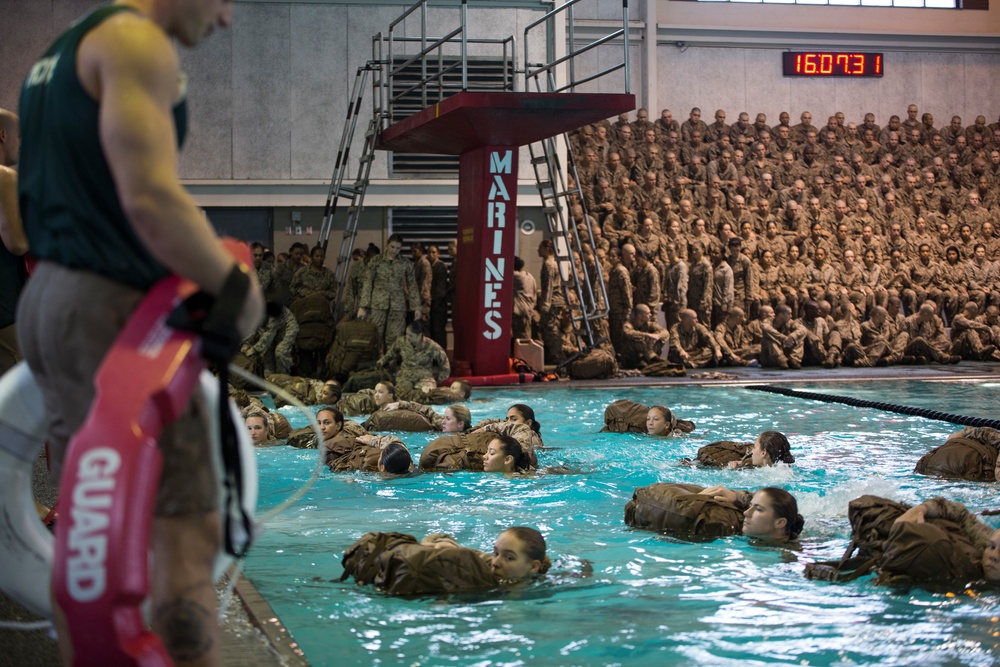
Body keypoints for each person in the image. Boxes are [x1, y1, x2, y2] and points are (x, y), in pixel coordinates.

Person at [16, 3, 264, 665]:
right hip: (115, 313)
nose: (226, 18)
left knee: (89, 537)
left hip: (50, 301)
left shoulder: (61, 53)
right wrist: (237, 289)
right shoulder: (137, 44)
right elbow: (152, 199)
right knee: (183, 533)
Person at [358, 233, 421, 353]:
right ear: (386, 246)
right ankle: (378, 365)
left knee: (395, 338)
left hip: (397, 307)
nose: (394, 250)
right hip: (377, 306)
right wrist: (363, 306)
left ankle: (391, 366)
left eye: (398, 248)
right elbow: (367, 283)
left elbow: (412, 285)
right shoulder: (376, 261)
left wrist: (416, 307)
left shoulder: (405, 263)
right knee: (376, 337)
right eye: (392, 247)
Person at [0, 108, 26, 375]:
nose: (20, 146)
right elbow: (16, 243)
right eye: (19, 137)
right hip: (4, 311)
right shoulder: (5, 176)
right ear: (3, 135)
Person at [699, 486, 804, 543]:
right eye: (750, 506)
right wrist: (735, 496)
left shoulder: (790, 555)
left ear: (780, 522)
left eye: (758, 509)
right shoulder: (754, 534)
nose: (746, 512)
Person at [375, 319, 450, 396]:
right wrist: (381, 362)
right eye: (407, 334)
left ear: (420, 335)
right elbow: (390, 354)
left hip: (424, 377)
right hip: (405, 376)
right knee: (400, 395)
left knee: (426, 396)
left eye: (411, 335)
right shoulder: (402, 341)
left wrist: (437, 379)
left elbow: (445, 363)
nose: (407, 337)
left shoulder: (431, 346)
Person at [727, 431, 795, 469]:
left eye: (754, 447)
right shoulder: (779, 467)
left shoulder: (777, 475)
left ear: (763, 453)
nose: (752, 451)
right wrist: (740, 464)